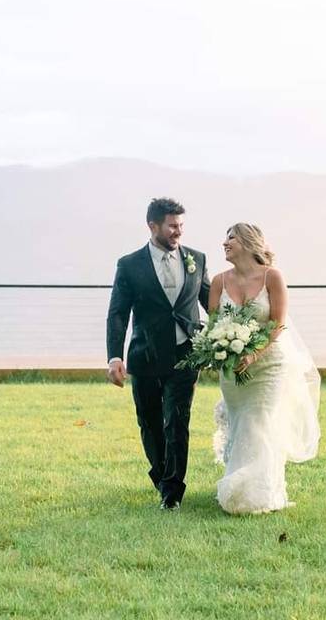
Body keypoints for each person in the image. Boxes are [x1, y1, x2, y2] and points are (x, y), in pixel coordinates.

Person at [106, 198, 211, 510]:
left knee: (177, 421)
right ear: (153, 226)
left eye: (181, 225)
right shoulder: (129, 265)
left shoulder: (197, 259)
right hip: (146, 356)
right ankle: (162, 475)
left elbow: (211, 303)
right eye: (172, 226)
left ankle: (173, 491)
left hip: (185, 355)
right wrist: (114, 357)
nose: (178, 232)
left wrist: (228, 336)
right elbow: (118, 314)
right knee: (150, 422)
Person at [209, 223, 321, 514]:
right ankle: (237, 489)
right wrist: (221, 351)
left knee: (259, 423)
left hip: (269, 365)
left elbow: (278, 323)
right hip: (232, 371)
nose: (225, 243)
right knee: (239, 424)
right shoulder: (219, 281)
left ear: (247, 242)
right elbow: (212, 325)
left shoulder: (272, 277)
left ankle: (257, 494)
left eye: (231, 238)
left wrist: (254, 354)